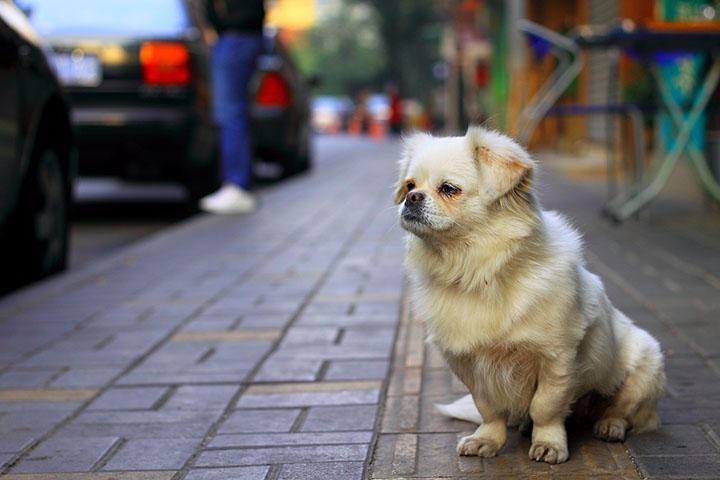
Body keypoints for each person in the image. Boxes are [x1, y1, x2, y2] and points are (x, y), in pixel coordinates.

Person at [200, 0, 265, 214]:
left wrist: (216, 23)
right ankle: (237, 184)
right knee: (233, 113)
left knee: (229, 113)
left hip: (236, 34)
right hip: (239, 33)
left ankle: (237, 185)